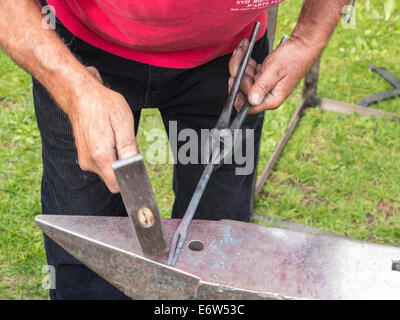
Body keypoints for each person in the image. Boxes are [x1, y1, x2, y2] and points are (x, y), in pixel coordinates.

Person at [0, 0, 349, 299]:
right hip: (81, 49)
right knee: (84, 247)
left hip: (227, 59)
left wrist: (307, 38)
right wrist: (73, 90)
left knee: (220, 248)